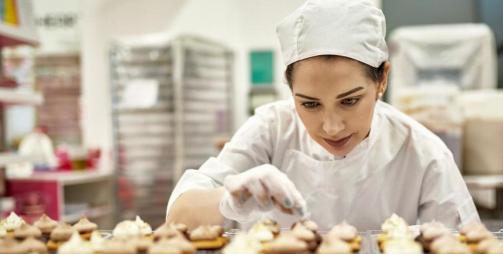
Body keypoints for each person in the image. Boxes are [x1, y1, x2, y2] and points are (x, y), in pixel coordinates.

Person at [166, 0, 479, 230]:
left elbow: (467, 246)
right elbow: (178, 217)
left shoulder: (424, 155)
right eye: (310, 104)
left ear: (382, 79)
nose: (331, 127)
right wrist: (226, 200)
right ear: (290, 90)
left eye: (350, 101)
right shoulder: (272, 130)